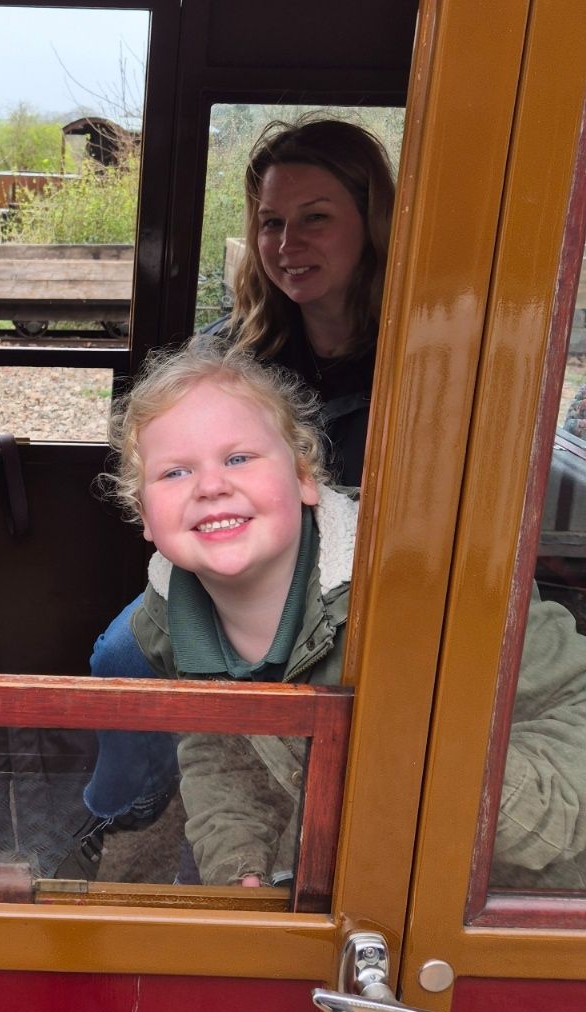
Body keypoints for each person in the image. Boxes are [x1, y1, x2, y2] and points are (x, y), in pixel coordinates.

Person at [105, 337, 586, 889]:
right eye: (174, 473)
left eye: (238, 458)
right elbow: (219, 748)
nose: (211, 486)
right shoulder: (168, 622)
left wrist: (428, 763)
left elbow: (574, 709)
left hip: (519, 903)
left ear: (304, 478)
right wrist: (238, 866)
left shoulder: (435, 582)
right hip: (365, 884)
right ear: (144, 516)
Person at [79, 116, 396, 839]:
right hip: (240, 568)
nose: (287, 245)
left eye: (315, 219)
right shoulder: (233, 349)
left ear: (371, 222)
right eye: (272, 223)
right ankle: (131, 803)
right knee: (122, 653)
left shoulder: (421, 351)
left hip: (360, 580)